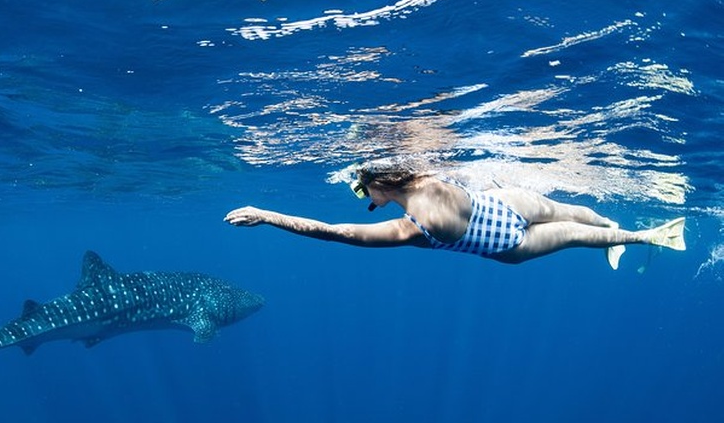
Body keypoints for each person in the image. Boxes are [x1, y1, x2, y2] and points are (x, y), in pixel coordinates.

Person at [223, 160, 686, 268]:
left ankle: (654, 237)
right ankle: (615, 228)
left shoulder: (408, 228)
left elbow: (336, 233)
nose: (363, 200)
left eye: (361, 189)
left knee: (574, 235)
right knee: (577, 217)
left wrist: (267, 214)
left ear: (376, 184)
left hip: (509, 245)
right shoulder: (425, 173)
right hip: (509, 205)